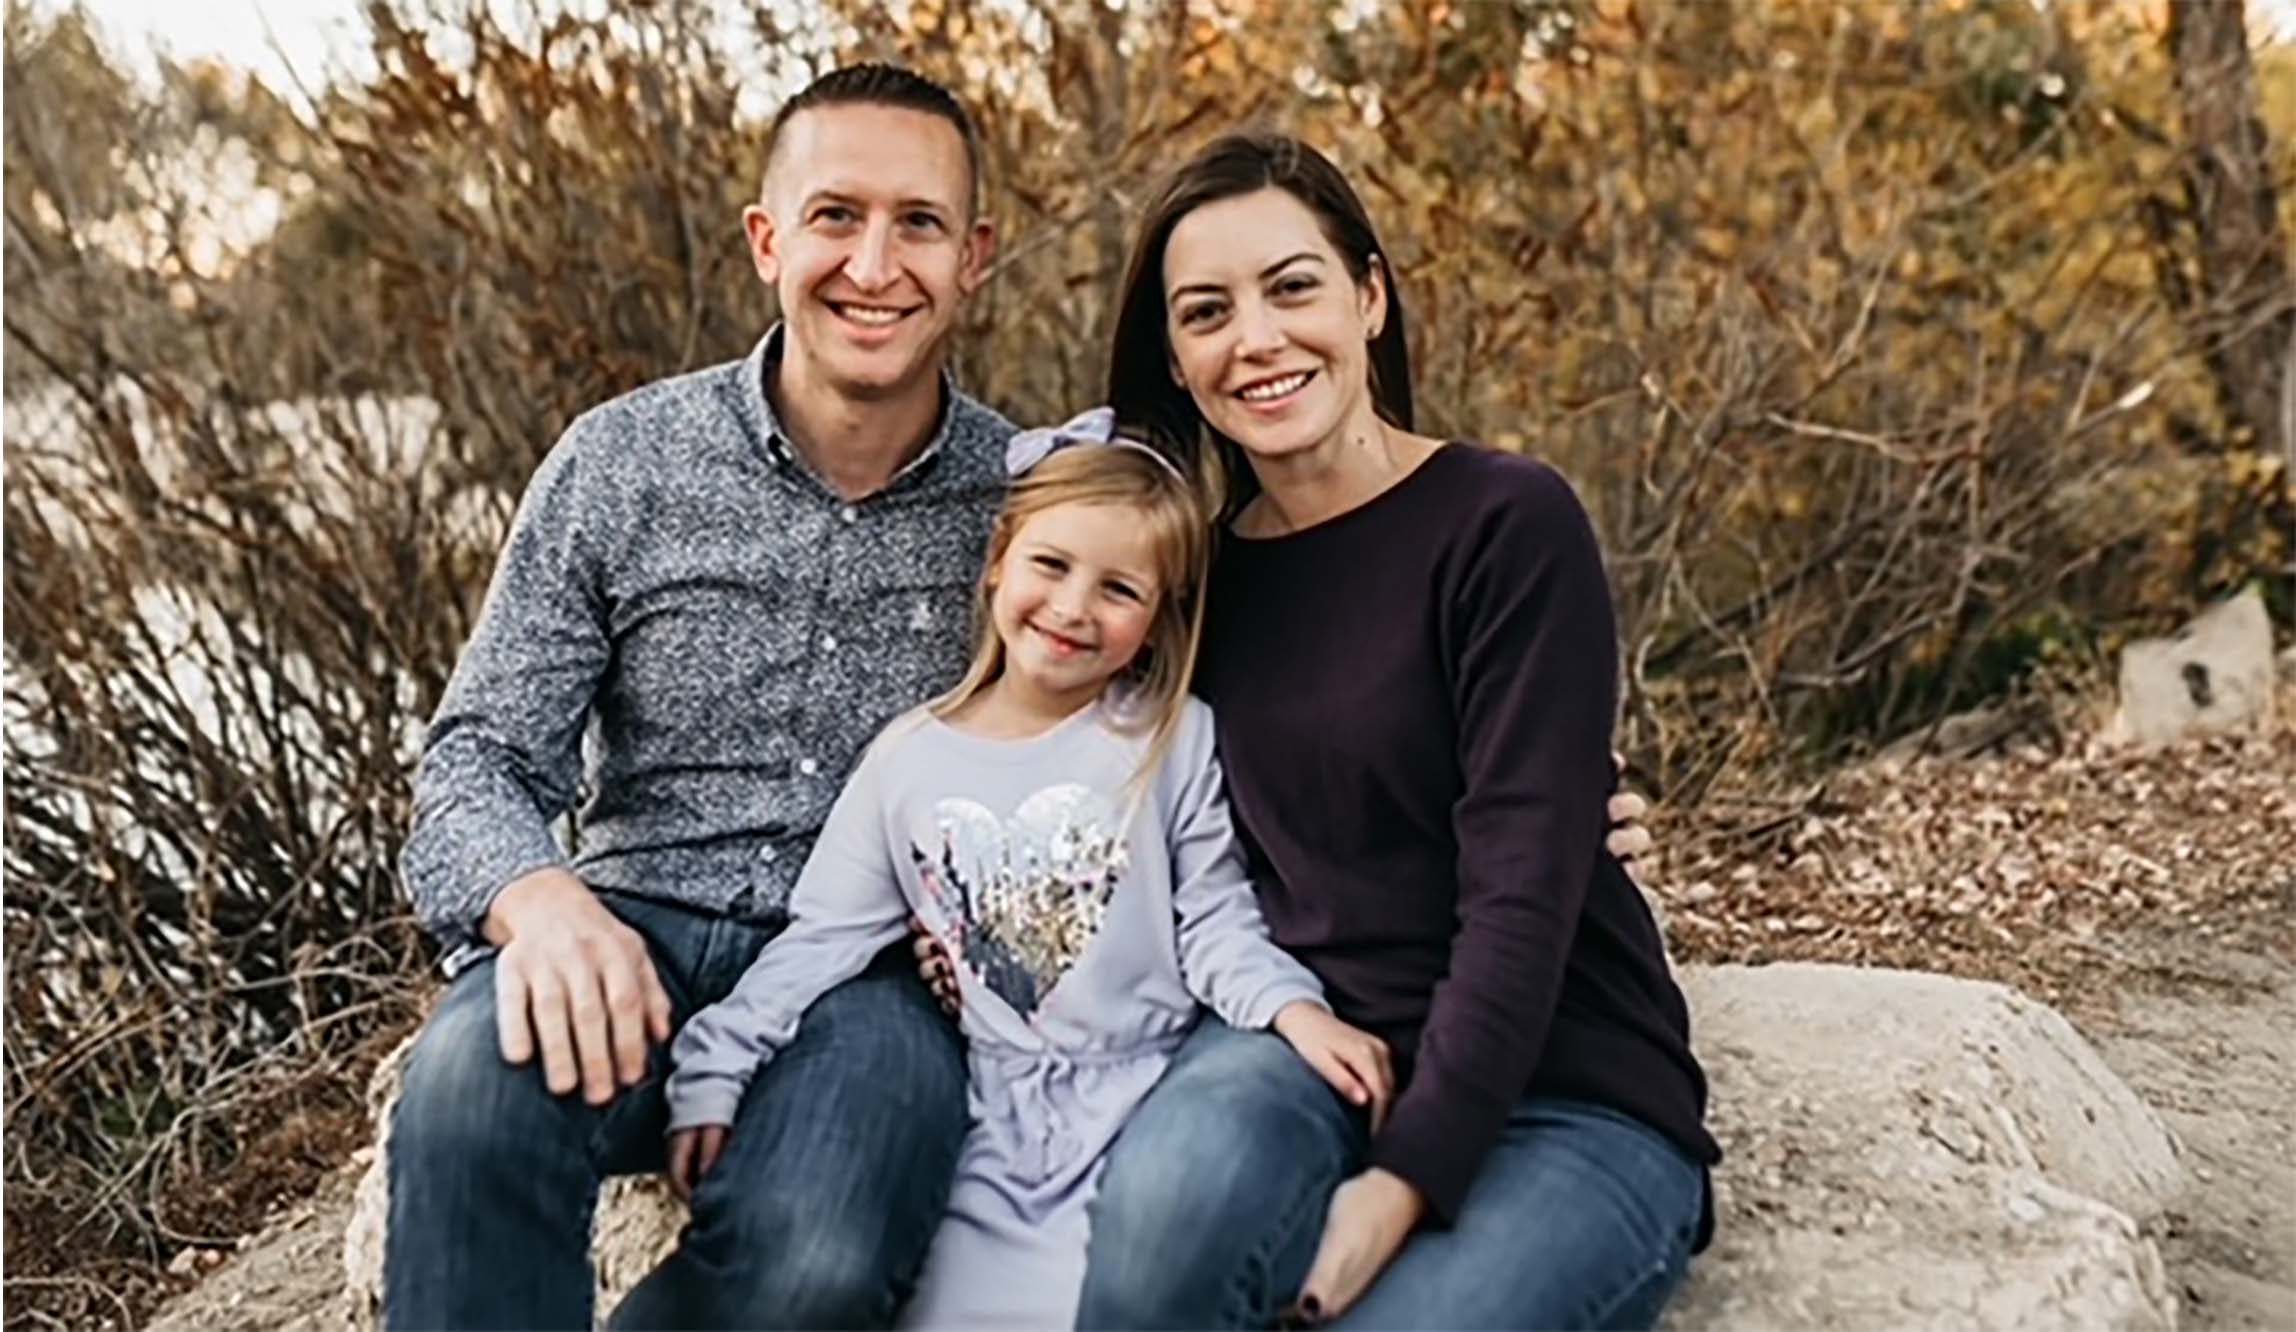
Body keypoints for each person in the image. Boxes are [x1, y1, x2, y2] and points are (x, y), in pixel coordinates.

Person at [384, 64, 1008, 1330]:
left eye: (919, 223)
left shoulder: (1028, 502)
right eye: (836, 216)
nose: (874, 264)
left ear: (974, 256)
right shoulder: (622, 460)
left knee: (820, 1258)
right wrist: (540, 903)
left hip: (868, 979)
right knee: (462, 1095)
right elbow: (474, 761)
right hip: (628, 934)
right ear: (768, 239)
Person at [1068, 132, 1721, 1330]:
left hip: (1565, 1086)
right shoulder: (1187, 589)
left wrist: (1406, 1179)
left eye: (1293, 286)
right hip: (1304, 1051)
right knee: (1158, 1233)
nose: (1254, 339)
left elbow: (1521, 887)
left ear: (1369, 298)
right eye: (1206, 311)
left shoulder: (1503, 521)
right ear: (1172, 354)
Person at [666, 417, 1395, 1329]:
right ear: (999, 560)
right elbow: (820, 943)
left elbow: (1215, 922)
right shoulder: (909, 762)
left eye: (1120, 588)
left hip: (1140, 1101)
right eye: (1051, 565)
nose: (1074, 607)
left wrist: (1294, 1013)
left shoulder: (1168, 741)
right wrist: (714, 1069)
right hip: (991, 1123)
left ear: (1158, 618)